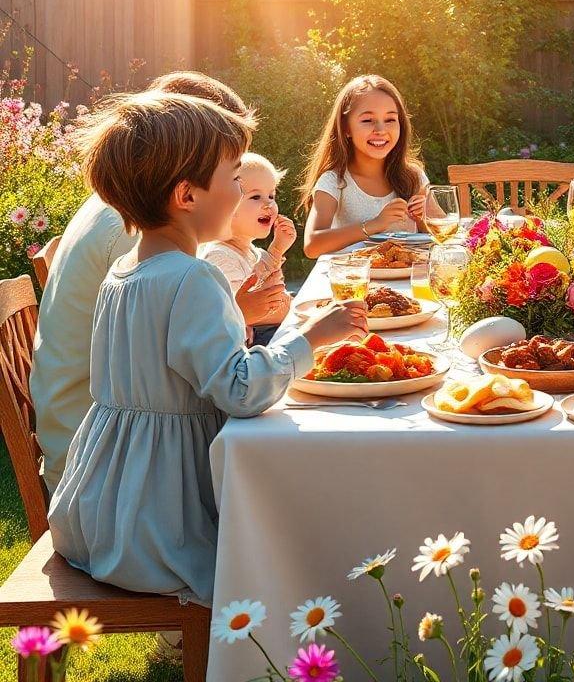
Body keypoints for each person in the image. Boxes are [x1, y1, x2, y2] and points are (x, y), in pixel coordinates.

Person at [47, 91, 367, 606]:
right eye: (236, 180)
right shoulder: (193, 277)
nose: (243, 192)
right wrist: (312, 340)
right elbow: (240, 390)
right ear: (187, 196)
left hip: (98, 509)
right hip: (159, 523)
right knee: (303, 538)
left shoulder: (123, 270)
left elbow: (166, 360)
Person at [30, 71, 290, 495]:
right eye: (233, 172)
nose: (241, 192)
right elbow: (201, 374)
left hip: (109, 441)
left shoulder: (135, 208)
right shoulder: (133, 232)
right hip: (110, 468)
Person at [302, 74, 429, 258]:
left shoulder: (414, 177)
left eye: (390, 119)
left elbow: (441, 239)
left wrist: (424, 219)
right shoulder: (334, 181)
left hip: (408, 281)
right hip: (355, 282)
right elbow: (312, 245)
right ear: (346, 128)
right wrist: (375, 224)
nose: (380, 130)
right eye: (367, 120)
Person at [200, 153, 297, 343]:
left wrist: (276, 250)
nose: (269, 203)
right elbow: (260, 311)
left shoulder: (254, 253)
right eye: (256, 197)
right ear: (225, 204)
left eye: (271, 195)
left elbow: (274, 291)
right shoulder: (219, 258)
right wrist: (303, 309)